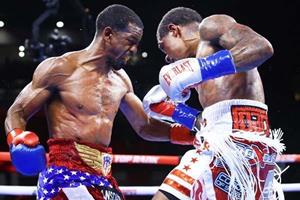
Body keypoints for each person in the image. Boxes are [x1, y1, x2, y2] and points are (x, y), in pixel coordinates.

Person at [4, 4, 196, 200]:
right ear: (108, 34)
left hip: (102, 177)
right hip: (66, 174)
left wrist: (192, 134)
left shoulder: (121, 80)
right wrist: (17, 138)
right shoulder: (62, 68)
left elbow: (145, 126)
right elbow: (17, 112)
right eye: (130, 41)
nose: (134, 50)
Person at [143, 7, 285, 200]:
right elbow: (204, 118)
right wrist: (185, 115)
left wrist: (204, 67)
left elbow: (261, 47)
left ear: (174, 30)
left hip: (231, 144)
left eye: (163, 46)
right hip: (241, 144)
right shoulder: (199, 73)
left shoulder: (210, 27)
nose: (167, 58)